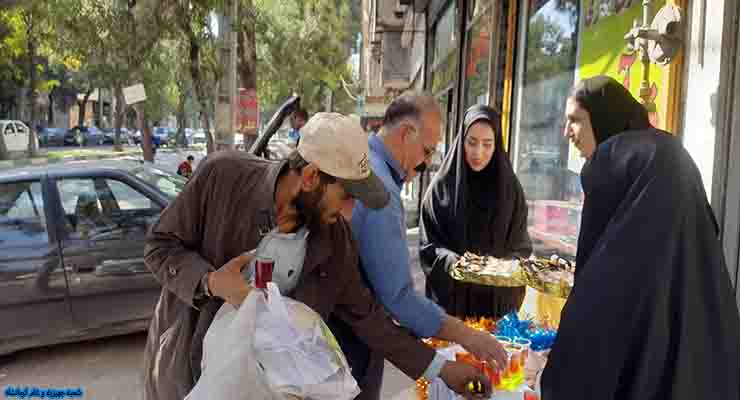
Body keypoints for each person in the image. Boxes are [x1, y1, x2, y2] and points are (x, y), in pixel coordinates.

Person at [142, 112, 492, 400]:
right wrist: (211, 282)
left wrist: (441, 369)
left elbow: (367, 316)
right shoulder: (222, 177)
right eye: (346, 196)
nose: (351, 213)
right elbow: (159, 246)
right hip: (189, 376)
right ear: (310, 177)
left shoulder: (334, 238)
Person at [539, 75, 740, 399]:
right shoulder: (667, 156)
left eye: (575, 119)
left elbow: (588, 349)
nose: (567, 133)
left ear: (602, 117)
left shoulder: (614, 162)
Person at [346, 93, 508, 400]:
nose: (427, 163)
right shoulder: (382, 190)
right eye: (426, 151)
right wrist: (466, 336)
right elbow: (398, 298)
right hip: (352, 347)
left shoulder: (366, 161)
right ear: (406, 134)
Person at [419, 105, 532, 319]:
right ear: (461, 140)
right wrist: (458, 264)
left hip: (495, 307)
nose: (478, 152)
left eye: (487, 144)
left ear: (496, 145)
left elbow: (520, 246)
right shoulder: (441, 188)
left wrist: (502, 267)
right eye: (471, 142)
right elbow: (429, 247)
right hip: (452, 308)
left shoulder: (510, 190)